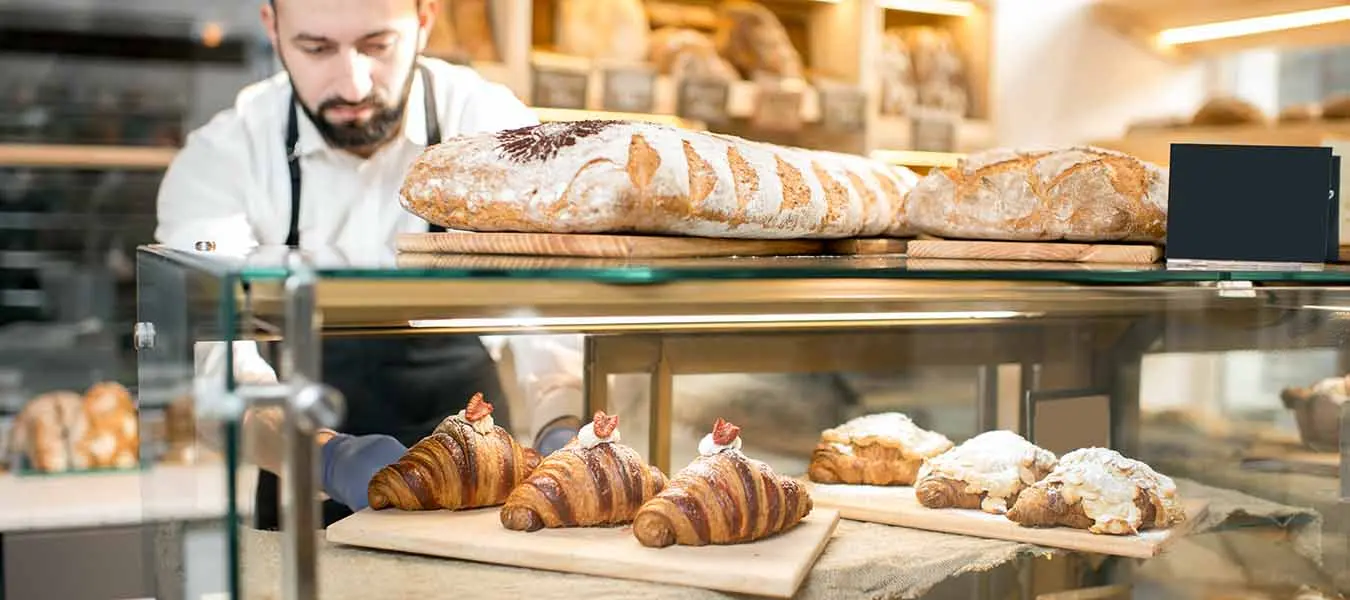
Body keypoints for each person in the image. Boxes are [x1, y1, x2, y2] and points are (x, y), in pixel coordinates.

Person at [155, 0, 581, 529]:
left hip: (480, 485)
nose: (353, 86)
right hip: (303, 485)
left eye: (377, 45)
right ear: (273, 28)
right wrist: (329, 459)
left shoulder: (492, 129)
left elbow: (552, 320)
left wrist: (561, 427)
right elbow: (215, 360)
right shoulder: (226, 154)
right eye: (316, 49)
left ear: (425, 19)